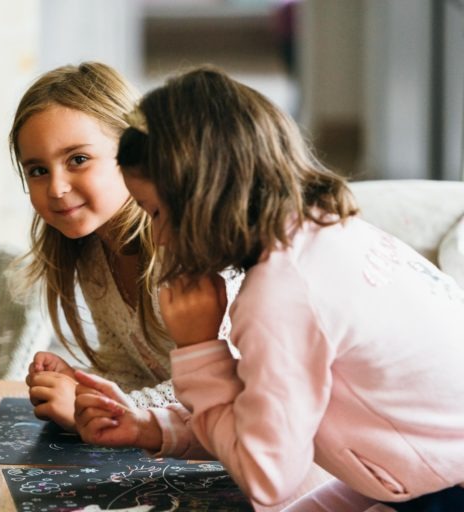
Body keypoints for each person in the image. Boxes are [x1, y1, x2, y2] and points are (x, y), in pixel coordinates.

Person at [74, 64, 464, 511]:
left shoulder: (281, 294)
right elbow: (266, 413)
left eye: (156, 213)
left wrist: (199, 350)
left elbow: (266, 479)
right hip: (422, 478)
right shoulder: (326, 233)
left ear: (203, 197)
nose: (158, 238)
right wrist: (154, 427)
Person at [8, 61, 238, 437]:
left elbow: (220, 384)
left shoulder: (188, 251)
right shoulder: (92, 251)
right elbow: (132, 368)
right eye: (37, 170)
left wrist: (105, 408)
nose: (56, 188)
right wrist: (86, 386)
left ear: (132, 152)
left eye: (78, 160)